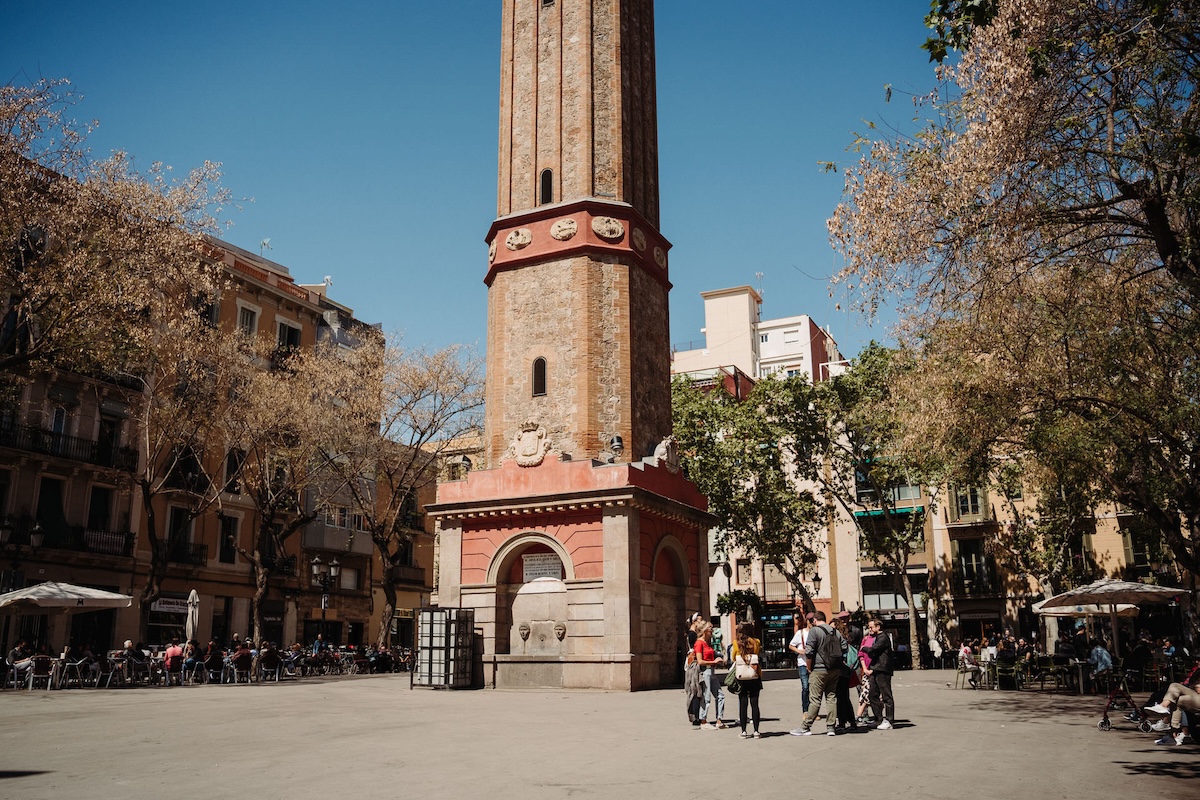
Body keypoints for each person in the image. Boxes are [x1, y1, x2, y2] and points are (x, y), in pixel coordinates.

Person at [791, 610, 847, 737]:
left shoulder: (814, 631)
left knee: (815, 699)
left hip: (819, 668)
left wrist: (809, 667)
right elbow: (844, 647)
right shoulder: (835, 631)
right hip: (834, 668)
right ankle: (831, 727)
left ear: (815, 620)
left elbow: (809, 651)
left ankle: (806, 727)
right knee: (831, 697)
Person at [730, 621, 763, 739]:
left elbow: (734, 657)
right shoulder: (756, 642)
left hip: (741, 676)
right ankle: (756, 731)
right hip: (754, 675)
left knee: (743, 703)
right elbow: (757, 653)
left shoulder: (736, 643)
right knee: (755, 704)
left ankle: (743, 731)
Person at [864, 617, 896, 730]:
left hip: (883, 669)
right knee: (872, 694)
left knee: (886, 695)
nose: (870, 629)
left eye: (871, 627)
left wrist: (864, 648)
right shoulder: (877, 637)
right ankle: (878, 719)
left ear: (878, 627)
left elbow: (873, 650)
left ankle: (889, 720)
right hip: (876, 668)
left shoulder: (883, 637)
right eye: (869, 627)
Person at [693, 622, 727, 729]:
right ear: (705, 630)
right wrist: (714, 662)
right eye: (710, 628)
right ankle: (703, 721)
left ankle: (719, 720)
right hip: (705, 672)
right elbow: (700, 661)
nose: (712, 630)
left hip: (711, 671)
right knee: (706, 697)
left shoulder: (709, 642)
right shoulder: (699, 643)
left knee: (720, 695)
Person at [787, 612, 813, 712]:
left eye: (813, 620)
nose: (812, 623)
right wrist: (799, 651)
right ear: (807, 621)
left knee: (813, 688)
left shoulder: (816, 632)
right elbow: (791, 645)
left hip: (814, 663)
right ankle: (805, 710)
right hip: (803, 663)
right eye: (810, 621)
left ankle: (812, 710)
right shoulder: (800, 633)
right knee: (805, 687)